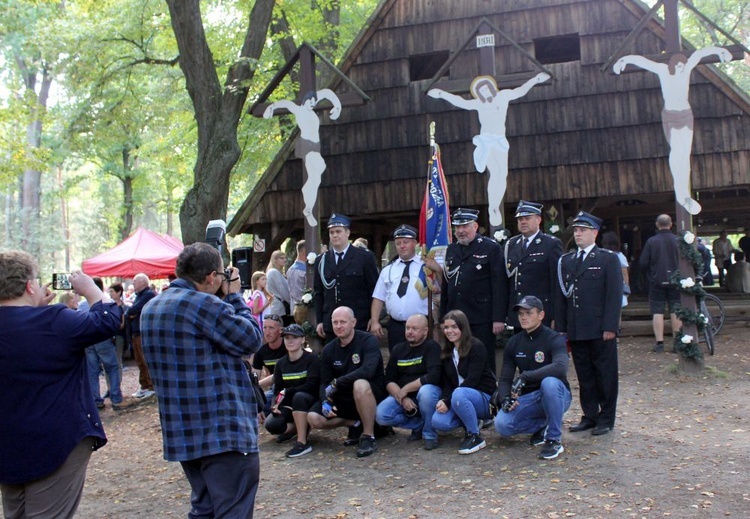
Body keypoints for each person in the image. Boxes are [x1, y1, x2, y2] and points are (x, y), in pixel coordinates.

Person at [140, 242, 264, 519]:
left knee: (204, 509)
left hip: (183, 431)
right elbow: (251, 339)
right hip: (221, 430)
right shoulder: (202, 303)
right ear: (210, 277)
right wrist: (233, 296)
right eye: (220, 276)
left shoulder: (152, 307)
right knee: (233, 509)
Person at [0, 252, 121, 518]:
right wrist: (91, 290)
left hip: (7, 445)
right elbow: (108, 321)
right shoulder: (54, 321)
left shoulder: (48, 321)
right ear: (30, 286)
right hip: (57, 441)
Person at [614, 46, 732, 215]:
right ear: (672, 65)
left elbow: (698, 55)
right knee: (677, 151)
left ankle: (685, 195)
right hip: (671, 115)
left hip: (686, 114)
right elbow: (645, 62)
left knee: (685, 154)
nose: (681, 70)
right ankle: (681, 193)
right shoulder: (663, 70)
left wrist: (721, 51)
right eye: (678, 67)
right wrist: (624, 60)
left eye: (683, 67)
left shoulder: (686, 70)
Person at [428, 73, 550, 227]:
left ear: (491, 88)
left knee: (502, 174)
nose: (485, 93)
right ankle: (493, 207)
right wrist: (441, 94)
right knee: (494, 173)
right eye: (481, 91)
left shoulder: (503, 96)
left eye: (486, 89)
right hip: (487, 142)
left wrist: (536, 80)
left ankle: (496, 203)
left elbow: (520, 91)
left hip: (500, 141)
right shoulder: (479, 103)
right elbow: (461, 102)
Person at [556, 211, 623, 436]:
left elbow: (613, 295)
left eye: (582, 230)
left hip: (599, 328)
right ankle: (590, 415)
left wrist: (610, 326)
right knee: (584, 376)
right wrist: (562, 328)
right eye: (575, 230)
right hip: (577, 328)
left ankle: (606, 418)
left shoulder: (607, 259)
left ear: (594, 233)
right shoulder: (567, 260)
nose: (578, 234)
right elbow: (562, 297)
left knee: (605, 374)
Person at [493, 296, 572, 460]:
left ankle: (554, 439)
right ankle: (545, 424)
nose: (523, 317)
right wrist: (505, 398)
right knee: (502, 425)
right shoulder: (514, 342)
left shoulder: (554, 338)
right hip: (530, 397)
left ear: (541, 315)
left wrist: (526, 376)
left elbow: (561, 367)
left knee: (549, 382)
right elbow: (505, 377)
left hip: (557, 394)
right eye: (521, 313)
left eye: (528, 313)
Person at [307, 306, 387, 458]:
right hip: (344, 396)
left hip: (369, 393)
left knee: (360, 384)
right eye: (335, 322)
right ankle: (355, 423)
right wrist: (325, 401)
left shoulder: (367, 340)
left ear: (353, 322)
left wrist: (338, 382)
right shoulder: (329, 349)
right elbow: (324, 381)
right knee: (313, 418)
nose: (338, 326)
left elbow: (368, 371)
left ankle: (368, 436)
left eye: (343, 322)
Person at [438, 207, 506, 373]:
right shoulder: (451, 250)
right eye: (457, 227)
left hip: (480, 316)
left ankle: (487, 394)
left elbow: (499, 285)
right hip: (455, 315)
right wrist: (442, 317)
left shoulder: (491, 248)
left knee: (483, 357)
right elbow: (447, 285)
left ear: (475, 226)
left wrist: (498, 318)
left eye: (465, 226)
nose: (461, 231)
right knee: (457, 358)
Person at [264, 89, 342, 227]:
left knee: (316, 178)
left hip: (315, 146)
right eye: (310, 102)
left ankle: (308, 206)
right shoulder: (299, 110)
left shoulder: (311, 104)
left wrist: (337, 106)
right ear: (305, 100)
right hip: (306, 145)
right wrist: (271, 107)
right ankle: (307, 202)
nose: (312, 104)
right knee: (318, 168)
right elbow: (286, 103)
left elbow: (327, 93)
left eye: (314, 103)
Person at [432, 310, 497, 455]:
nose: (449, 331)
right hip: (459, 397)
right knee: (439, 422)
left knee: (459, 394)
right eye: (446, 327)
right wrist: (444, 399)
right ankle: (472, 420)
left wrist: (448, 401)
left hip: (483, 396)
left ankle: (474, 435)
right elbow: (447, 382)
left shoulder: (476, 346)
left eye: (454, 327)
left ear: (463, 327)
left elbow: (472, 380)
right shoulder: (447, 351)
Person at [375, 314, 443, 450]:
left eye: (414, 329)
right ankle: (418, 425)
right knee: (381, 415)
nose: (410, 332)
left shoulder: (432, 347)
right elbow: (388, 379)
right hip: (403, 396)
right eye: (407, 328)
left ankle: (430, 434)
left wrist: (406, 388)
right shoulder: (398, 349)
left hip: (427, 395)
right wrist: (402, 397)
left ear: (425, 331)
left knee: (426, 392)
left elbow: (433, 376)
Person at [313, 213, 379, 341]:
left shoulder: (364, 257)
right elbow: (319, 293)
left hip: (358, 321)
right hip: (332, 323)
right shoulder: (321, 260)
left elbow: (374, 289)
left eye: (338, 231)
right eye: (332, 232)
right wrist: (320, 320)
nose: (335, 235)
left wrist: (373, 317)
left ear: (347, 232)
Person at [503, 200, 563, 329]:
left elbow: (556, 283)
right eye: (520, 219)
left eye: (527, 218)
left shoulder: (550, 244)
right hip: (519, 312)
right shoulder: (512, 244)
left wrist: (555, 316)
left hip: (540, 313)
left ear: (538, 220)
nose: (523, 222)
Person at [369, 224, 429, 350]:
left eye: (406, 242)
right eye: (398, 243)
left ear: (415, 243)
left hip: (421, 324)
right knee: (396, 361)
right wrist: (375, 321)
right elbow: (378, 297)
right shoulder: (388, 270)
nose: (402, 246)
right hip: (396, 326)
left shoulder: (426, 266)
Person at [265, 324, 321, 458]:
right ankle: (297, 427)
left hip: (309, 401)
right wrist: (276, 404)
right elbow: (277, 389)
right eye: (287, 338)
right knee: (272, 425)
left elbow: (312, 385)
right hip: (289, 403)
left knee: (299, 397)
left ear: (302, 340)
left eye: (294, 337)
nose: (290, 341)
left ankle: (302, 442)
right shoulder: (281, 363)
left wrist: (288, 391)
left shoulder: (312, 359)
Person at [82, 277, 137, 411]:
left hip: (87, 339)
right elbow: (115, 321)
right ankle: (116, 399)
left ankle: (96, 400)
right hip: (102, 337)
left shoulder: (82, 304)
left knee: (93, 371)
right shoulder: (106, 302)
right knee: (112, 367)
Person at [639, 215, 682, 353]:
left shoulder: (652, 241)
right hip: (675, 280)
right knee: (676, 311)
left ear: (657, 224)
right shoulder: (678, 241)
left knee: (657, 311)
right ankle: (677, 342)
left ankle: (660, 343)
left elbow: (643, 262)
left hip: (656, 280)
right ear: (671, 224)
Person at [124, 273, 156, 399]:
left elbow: (132, 311)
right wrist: (130, 314)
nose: (133, 283)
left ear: (143, 282)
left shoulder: (148, 295)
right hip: (136, 332)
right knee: (139, 360)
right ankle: (144, 386)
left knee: (144, 360)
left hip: (143, 332)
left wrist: (131, 314)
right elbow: (130, 313)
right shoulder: (139, 296)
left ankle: (151, 386)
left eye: (135, 281)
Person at [252, 314, 287, 417]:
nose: (267, 332)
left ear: (280, 330)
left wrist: (258, 384)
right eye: (265, 327)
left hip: (290, 386)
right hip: (275, 390)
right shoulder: (261, 351)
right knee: (253, 405)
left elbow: (279, 374)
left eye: (271, 328)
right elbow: (254, 377)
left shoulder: (289, 346)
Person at [601, 231, 630, 309]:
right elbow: (624, 274)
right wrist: (626, 287)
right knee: (617, 312)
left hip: (602, 285)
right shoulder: (620, 256)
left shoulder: (600, 255)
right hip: (618, 285)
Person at [265, 250, 291, 320]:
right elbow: (282, 290)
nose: (284, 260)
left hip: (276, 306)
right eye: (281, 258)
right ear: (275, 260)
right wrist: (290, 302)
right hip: (279, 308)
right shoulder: (274, 272)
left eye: (285, 258)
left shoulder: (272, 271)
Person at [287, 240, 307, 307]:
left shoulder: (290, 269)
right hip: (304, 306)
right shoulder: (303, 271)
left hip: (294, 306)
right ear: (304, 253)